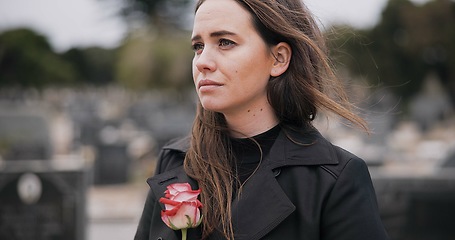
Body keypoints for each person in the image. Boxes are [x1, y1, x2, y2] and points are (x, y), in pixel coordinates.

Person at [135, 0, 389, 239]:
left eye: (224, 42)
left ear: (278, 58)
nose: (202, 62)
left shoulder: (333, 179)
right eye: (198, 46)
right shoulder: (175, 161)